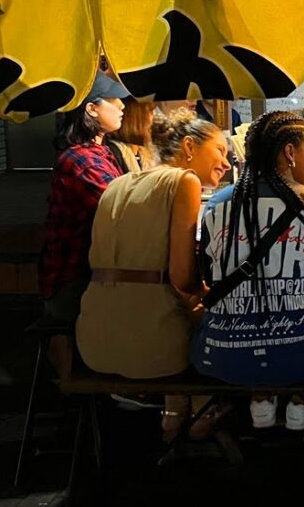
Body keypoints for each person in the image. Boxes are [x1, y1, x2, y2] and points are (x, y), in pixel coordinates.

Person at [75, 108, 231, 439]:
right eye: (220, 151)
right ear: (189, 147)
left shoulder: (117, 183)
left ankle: (174, 412)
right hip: (149, 347)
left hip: (94, 340)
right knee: (218, 323)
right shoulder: (183, 181)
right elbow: (182, 277)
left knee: (181, 309)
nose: (227, 164)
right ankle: (203, 412)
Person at [195, 111, 304, 433]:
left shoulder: (216, 206)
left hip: (223, 355)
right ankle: (303, 397)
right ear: (290, 153)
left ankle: (261, 397)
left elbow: (208, 275)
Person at [37, 71, 128, 376]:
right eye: (114, 100)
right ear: (91, 108)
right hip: (74, 283)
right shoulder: (78, 160)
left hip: (94, 273)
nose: (122, 106)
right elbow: (121, 206)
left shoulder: (100, 152)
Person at [106, 99, 157, 173]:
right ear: (136, 119)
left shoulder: (146, 153)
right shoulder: (113, 153)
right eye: (151, 112)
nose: (155, 117)